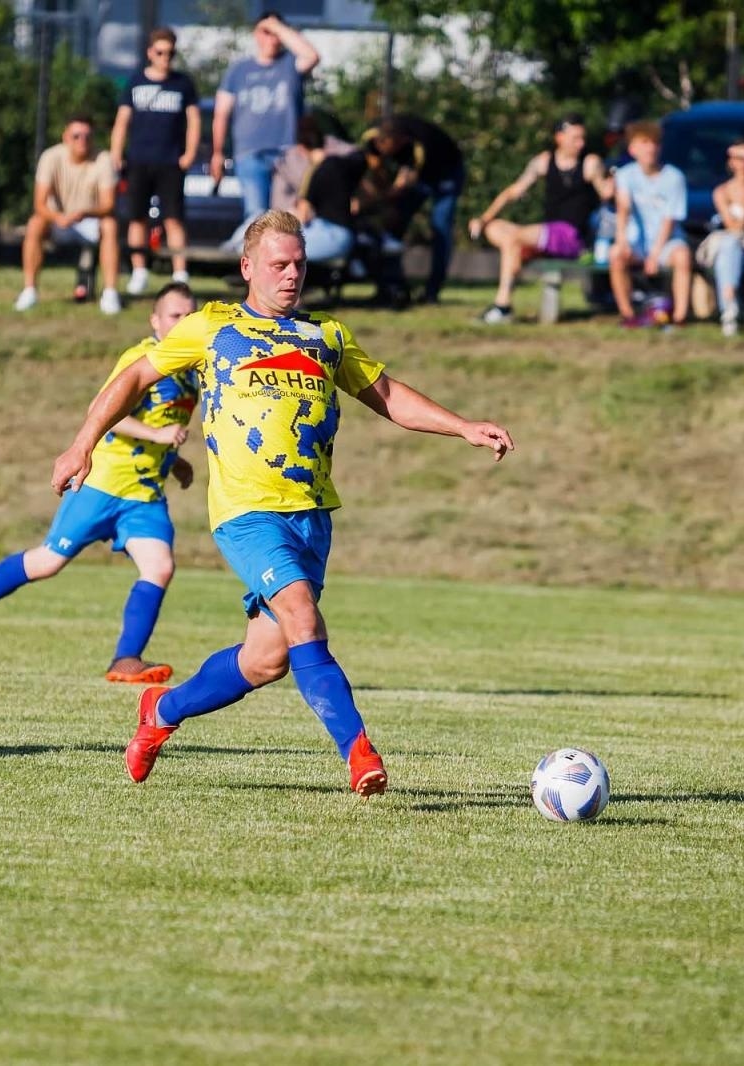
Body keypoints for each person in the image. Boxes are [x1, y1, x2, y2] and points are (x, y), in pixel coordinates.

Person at [49, 211, 514, 794]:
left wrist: (462, 426)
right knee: (301, 617)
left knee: (267, 659)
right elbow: (135, 379)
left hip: (312, 516)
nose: (292, 274)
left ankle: (161, 711)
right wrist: (81, 444)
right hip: (247, 514)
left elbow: (389, 396)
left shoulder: (328, 336)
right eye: (279, 264)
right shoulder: (211, 328)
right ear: (248, 268)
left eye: (299, 264)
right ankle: (359, 754)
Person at [0, 283, 199, 683]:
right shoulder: (141, 358)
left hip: (144, 495)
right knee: (47, 563)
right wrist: (160, 437)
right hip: (103, 485)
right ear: (155, 321)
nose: (184, 323)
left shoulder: (189, 373)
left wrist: (174, 460)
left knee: (160, 567)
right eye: (175, 315)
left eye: (190, 316)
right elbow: (103, 411)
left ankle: (126, 659)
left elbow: (161, 424)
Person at [468, 114, 611, 325]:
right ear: (559, 137)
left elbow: (606, 194)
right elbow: (514, 191)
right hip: (548, 234)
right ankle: (503, 304)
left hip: (571, 237)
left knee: (514, 239)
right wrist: (484, 218)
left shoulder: (590, 163)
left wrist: (611, 182)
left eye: (583, 138)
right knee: (497, 229)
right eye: (575, 138)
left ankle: (502, 306)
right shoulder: (543, 162)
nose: (581, 143)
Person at [111, 27, 199, 295]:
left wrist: (190, 153)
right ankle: (139, 271)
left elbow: (193, 120)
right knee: (137, 218)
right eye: (160, 52)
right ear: (150, 52)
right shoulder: (136, 82)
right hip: (139, 160)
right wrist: (116, 152)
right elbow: (122, 121)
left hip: (170, 162)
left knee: (173, 219)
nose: (165, 58)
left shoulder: (182, 84)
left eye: (170, 53)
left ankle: (180, 272)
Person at [212, 12, 320, 229]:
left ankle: (288, 262)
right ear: (256, 34)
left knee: (290, 217)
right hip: (250, 154)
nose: (271, 37)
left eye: (276, 32)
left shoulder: (291, 64)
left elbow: (313, 56)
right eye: (266, 31)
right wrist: (217, 152)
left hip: (287, 153)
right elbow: (221, 113)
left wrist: (278, 27)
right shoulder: (239, 70)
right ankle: (258, 262)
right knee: (256, 217)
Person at [15, 115, 122, 315]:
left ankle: (110, 293)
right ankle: (29, 290)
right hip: (59, 220)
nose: (82, 140)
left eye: (87, 136)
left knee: (110, 225)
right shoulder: (50, 157)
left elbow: (109, 205)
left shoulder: (104, 159)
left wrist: (85, 212)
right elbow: (39, 204)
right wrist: (58, 218)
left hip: (90, 219)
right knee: (35, 224)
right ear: (66, 137)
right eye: (76, 136)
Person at [371, 115, 466, 304]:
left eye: (389, 148)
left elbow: (405, 181)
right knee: (393, 221)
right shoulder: (373, 137)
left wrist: (391, 192)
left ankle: (432, 291)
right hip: (422, 174)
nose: (385, 153)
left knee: (440, 228)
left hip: (446, 174)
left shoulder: (421, 146)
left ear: (401, 141)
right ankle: (391, 284)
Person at [609, 121, 691, 329]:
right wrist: (622, 240)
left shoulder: (674, 177)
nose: (650, 148)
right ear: (632, 149)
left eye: (654, 143)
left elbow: (669, 220)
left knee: (683, 256)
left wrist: (654, 255)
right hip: (637, 241)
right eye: (644, 142)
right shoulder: (625, 175)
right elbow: (623, 208)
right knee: (616, 254)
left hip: (666, 241)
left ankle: (680, 317)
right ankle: (628, 315)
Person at [696, 137, 744, 337]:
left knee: (732, 246)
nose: (742, 162)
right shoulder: (721, 191)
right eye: (738, 158)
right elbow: (734, 227)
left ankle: (729, 310)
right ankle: (730, 308)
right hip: (732, 243)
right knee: (730, 245)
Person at [292, 132, 366, 265]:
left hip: (331, 235)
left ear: (302, 149)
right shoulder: (342, 163)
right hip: (348, 234)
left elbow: (303, 215)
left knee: (288, 245)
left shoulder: (315, 172)